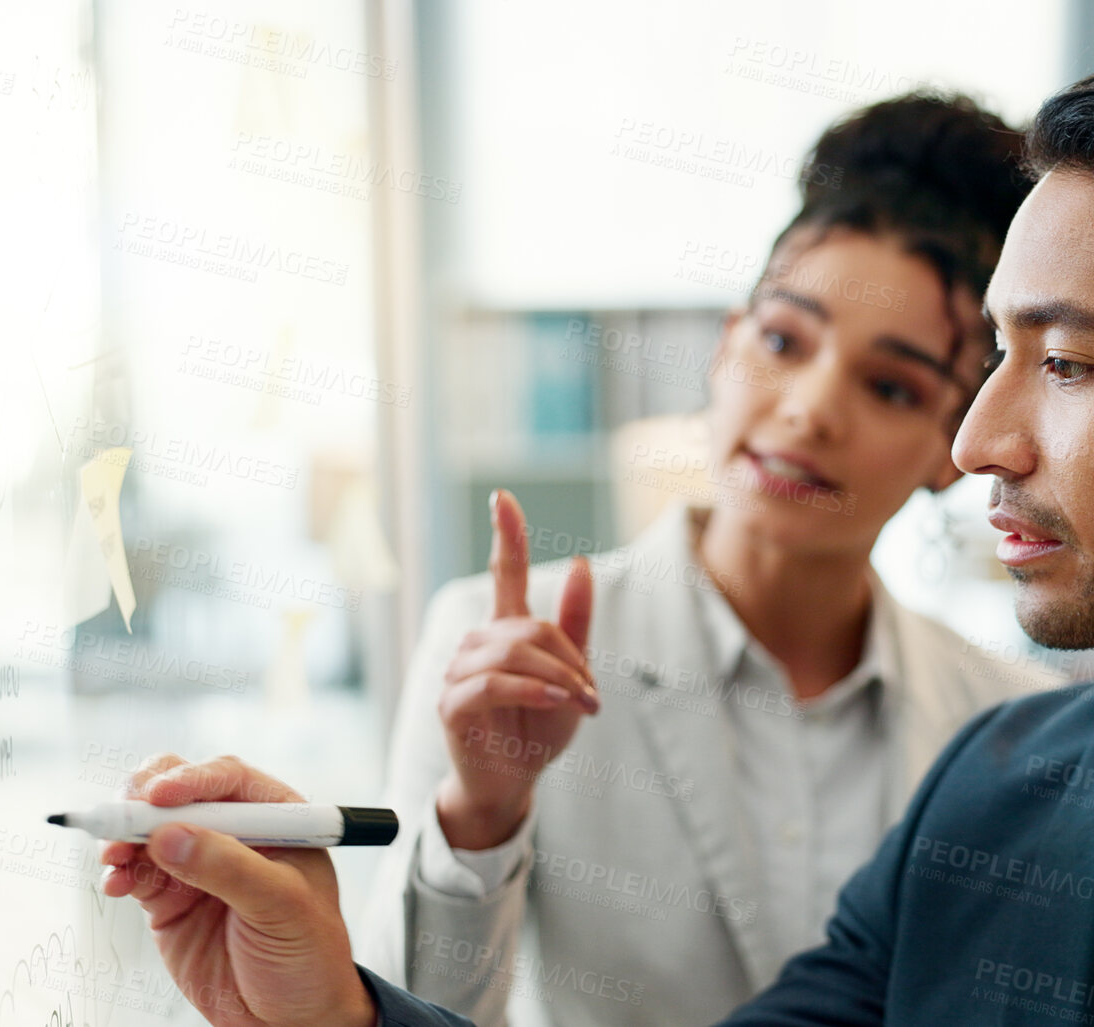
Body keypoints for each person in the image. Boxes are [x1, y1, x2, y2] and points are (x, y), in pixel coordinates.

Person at [103, 42, 1094, 1027]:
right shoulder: (1001, 799)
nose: (974, 440)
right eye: (990, 354)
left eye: (1063, 365)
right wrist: (329, 1003)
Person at [350, 92, 1042, 1026]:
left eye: (888, 384)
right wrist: (481, 812)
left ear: (950, 445)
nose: (807, 408)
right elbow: (413, 1012)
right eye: (782, 340)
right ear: (723, 351)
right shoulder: (502, 646)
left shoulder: (1006, 726)